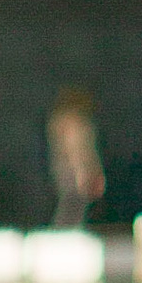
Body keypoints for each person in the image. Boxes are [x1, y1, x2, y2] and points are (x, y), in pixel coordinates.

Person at [45, 87, 103, 230]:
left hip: (64, 169)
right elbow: (76, 150)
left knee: (74, 204)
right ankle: (62, 235)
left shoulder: (60, 121)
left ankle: (65, 233)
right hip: (72, 170)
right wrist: (81, 172)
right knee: (73, 203)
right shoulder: (72, 122)